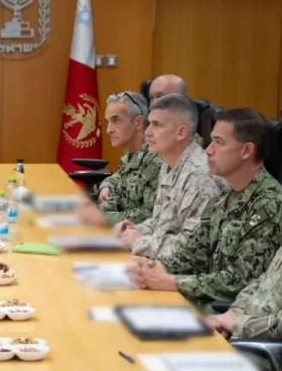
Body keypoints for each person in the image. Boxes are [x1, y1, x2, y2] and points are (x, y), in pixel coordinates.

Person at [127, 108, 282, 311]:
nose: (208, 150)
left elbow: (240, 281)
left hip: (229, 316)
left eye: (219, 142)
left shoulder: (269, 205)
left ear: (246, 151)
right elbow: (192, 254)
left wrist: (171, 282)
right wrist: (150, 268)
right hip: (203, 303)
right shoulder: (224, 198)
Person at [114, 94, 223, 261]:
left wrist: (140, 242)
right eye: (149, 123)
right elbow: (163, 222)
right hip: (162, 259)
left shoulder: (199, 178)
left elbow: (193, 249)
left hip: (184, 269)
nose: (147, 133)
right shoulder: (169, 163)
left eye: (157, 125)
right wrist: (134, 230)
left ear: (181, 132)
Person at [77, 92, 161, 226]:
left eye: (116, 120)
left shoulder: (157, 158)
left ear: (138, 122)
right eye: (108, 122)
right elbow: (121, 195)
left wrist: (102, 217)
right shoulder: (130, 153)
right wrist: (99, 209)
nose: (108, 130)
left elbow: (151, 215)